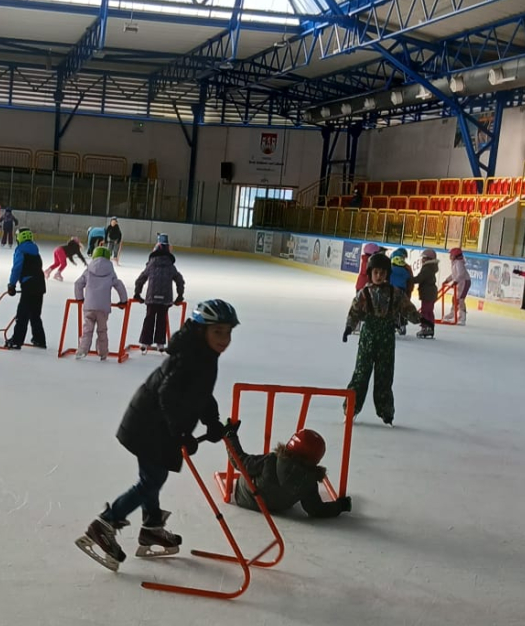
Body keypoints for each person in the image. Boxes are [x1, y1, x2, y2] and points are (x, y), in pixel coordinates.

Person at [76, 299, 240, 571]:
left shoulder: (203, 354)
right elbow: (168, 396)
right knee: (151, 480)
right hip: (149, 424)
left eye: (228, 332)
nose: (224, 339)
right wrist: (181, 433)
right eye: (218, 332)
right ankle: (104, 525)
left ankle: (151, 527)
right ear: (202, 330)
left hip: (155, 424)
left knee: (153, 478)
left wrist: (212, 422)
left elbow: (201, 393)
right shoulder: (190, 358)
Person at [344, 250, 417, 424]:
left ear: (387, 274)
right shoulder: (364, 293)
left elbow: (407, 308)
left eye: (382, 273)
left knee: (384, 375)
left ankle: (386, 410)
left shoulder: (395, 293)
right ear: (370, 273)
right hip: (368, 339)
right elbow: (354, 311)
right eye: (376, 272)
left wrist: (419, 318)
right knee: (361, 374)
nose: (379, 276)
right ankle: (352, 407)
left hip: (386, 339)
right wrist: (349, 327)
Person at [232, 428, 351, 521]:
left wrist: (231, 436)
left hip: (245, 497)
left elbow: (240, 462)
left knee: (253, 468)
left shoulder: (271, 460)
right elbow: (316, 509)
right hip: (278, 507)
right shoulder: (309, 481)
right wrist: (341, 506)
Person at [75, 243, 128, 361]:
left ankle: (82, 350)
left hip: (89, 306)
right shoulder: (110, 271)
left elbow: (78, 284)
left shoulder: (89, 270)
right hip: (103, 308)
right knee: (102, 330)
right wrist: (123, 301)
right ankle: (103, 353)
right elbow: (119, 285)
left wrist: (80, 298)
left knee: (87, 330)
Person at [133, 234, 184, 350]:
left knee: (149, 318)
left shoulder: (151, 264)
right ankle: (160, 342)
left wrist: (137, 293)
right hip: (165, 298)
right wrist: (180, 295)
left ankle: (145, 342)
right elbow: (179, 280)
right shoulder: (170, 266)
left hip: (152, 297)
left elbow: (140, 279)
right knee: (162, 319)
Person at [4, 228, 46, 349]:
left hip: (29, 285)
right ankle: (39, 339)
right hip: (40, 285)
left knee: (22, 314)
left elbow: (17, 268)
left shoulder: (20, 250)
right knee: (35, 314)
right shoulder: (35, 250)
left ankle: (17, 341)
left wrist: (12, 284)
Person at [413, 249, 440, 339]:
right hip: (430, 292)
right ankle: (430, 327)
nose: (422, 260)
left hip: (427, 293)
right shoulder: (431, 267)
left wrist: (410, 279)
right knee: (429, 311)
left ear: (429, 259)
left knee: (425, 311)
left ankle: (425, 328)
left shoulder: (427, 268)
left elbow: (420, 278)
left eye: (424, 258)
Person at [388, 247, 413, 335]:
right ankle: (402, 324)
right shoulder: (406, 269)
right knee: (401, 308)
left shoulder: (390, 268)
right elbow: (409, 279)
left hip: (391, 290)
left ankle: (393, 323)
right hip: (403, 291)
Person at [448, 245, 471, 324]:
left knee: (461, 300)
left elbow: (461, 274)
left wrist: (455, 281)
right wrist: (447, 280)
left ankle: (462, 318)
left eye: (451, 254)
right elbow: (454, 274)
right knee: (455, 298)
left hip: (465, 282)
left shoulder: (459, 263)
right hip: (460, 282)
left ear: (456, 255)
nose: (450, 256)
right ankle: (452, 313)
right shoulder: (454, 263)